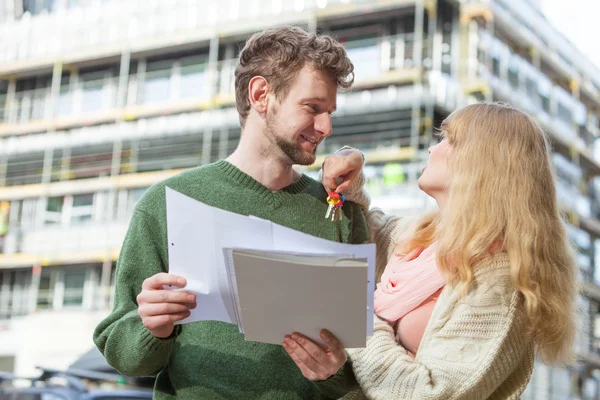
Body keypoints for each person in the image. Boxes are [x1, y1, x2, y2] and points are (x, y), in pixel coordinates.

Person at [93, 26, 370, 400]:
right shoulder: (167, 202)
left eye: (330, 112)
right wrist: (150, 327)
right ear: (261, 95)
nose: (326, 127)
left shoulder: (340, 212)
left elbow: (362, 363)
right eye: (313, 107)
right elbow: (124, 353)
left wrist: (334, 372)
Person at [283, 102, 578, 399]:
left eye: (448, 139)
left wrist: (358, 319)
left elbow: (429, 394)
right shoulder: (422, 237)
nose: (432, 149)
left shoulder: (503, 280)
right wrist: (349, 183)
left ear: (480, 162)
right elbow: (367, 233)